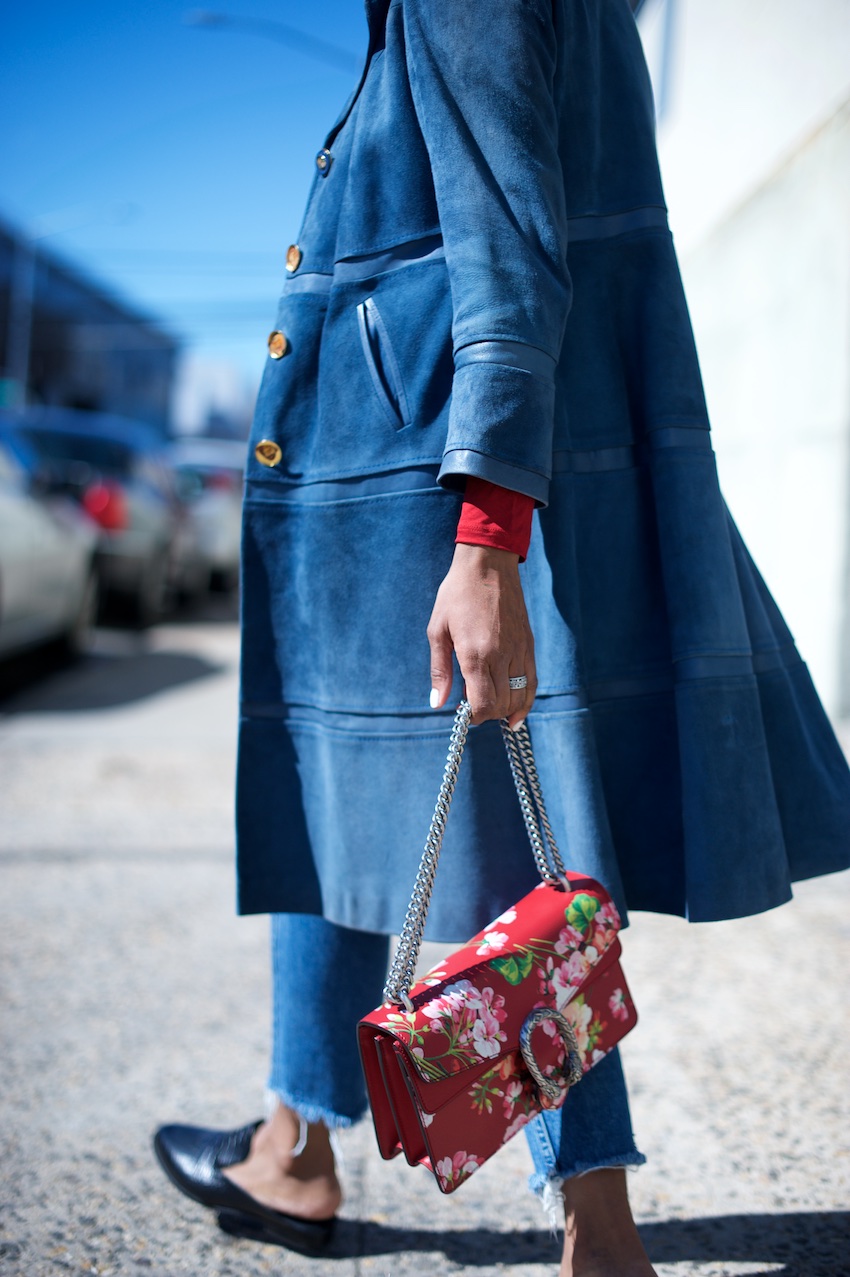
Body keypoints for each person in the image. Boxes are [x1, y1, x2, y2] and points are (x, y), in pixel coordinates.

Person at [153, 2, 850, 1273]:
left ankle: (599, 1228)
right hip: (421, 469)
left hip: (429, 477)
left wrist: (485, 536)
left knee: (522, 852)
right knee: (349, 787)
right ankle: (295, 1140)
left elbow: (510, 243)